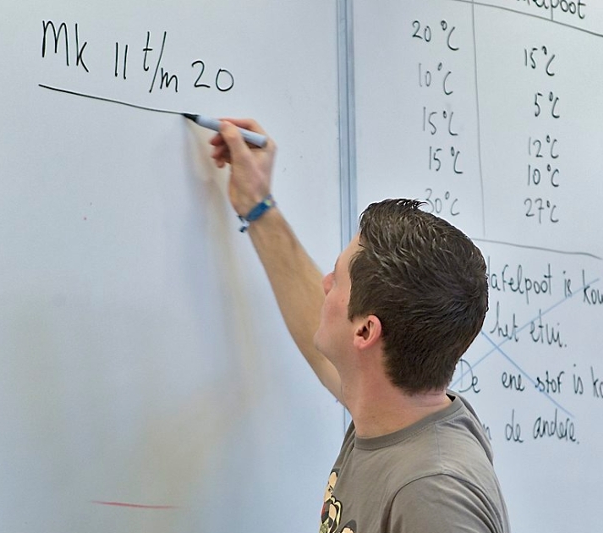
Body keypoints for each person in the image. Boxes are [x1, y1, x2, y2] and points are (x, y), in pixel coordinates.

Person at [210, 119, 510, 533]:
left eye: (336, 278)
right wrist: (258, 205)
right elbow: (324, 331)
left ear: (366, 332)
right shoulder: (394, 407)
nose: (324, 285)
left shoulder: (434, 495)